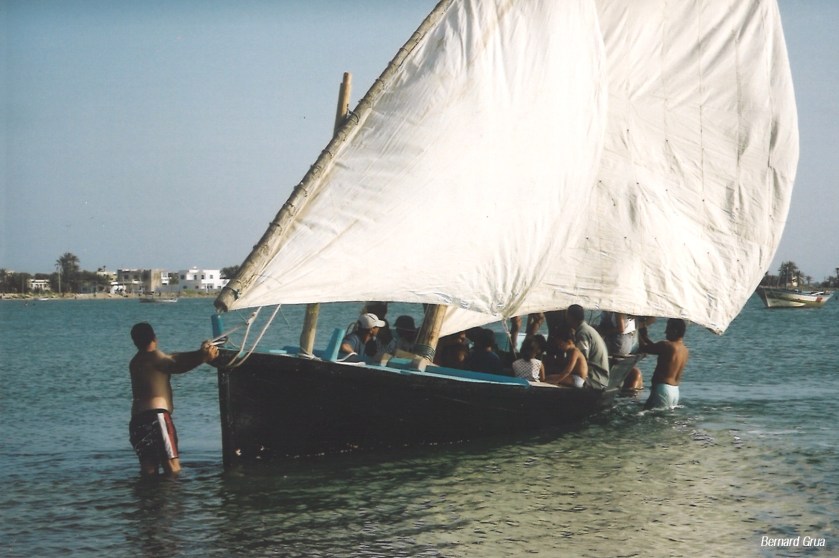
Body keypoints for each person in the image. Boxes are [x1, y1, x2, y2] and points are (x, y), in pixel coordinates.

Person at [128, 322, 218, 477]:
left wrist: (199, 352)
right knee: (172, 467)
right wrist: (203, 357)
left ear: (135, 342)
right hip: (156, 418)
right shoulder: (155, 357)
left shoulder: (136, 361)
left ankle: (147, 500)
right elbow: (176, 365)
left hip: (137, 421)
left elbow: (174, 357)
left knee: (148, 470)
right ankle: (174, 499)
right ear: (155, 338)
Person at [638, 318, 689, 410]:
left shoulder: (666, 345)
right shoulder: (685, 350)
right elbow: (653, 347)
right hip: (675, 391)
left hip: (663, 390)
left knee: (650, 418)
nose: (665, 332)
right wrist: (644, 336)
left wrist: (635, 332)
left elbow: (644, 348)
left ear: (675, 331)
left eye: (667, 328)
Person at [566, 304, 610, 389]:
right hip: (601, 377)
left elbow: (582, 360)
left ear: (571, 317)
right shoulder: (587, 329)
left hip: (595, 379)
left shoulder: (583, 333)